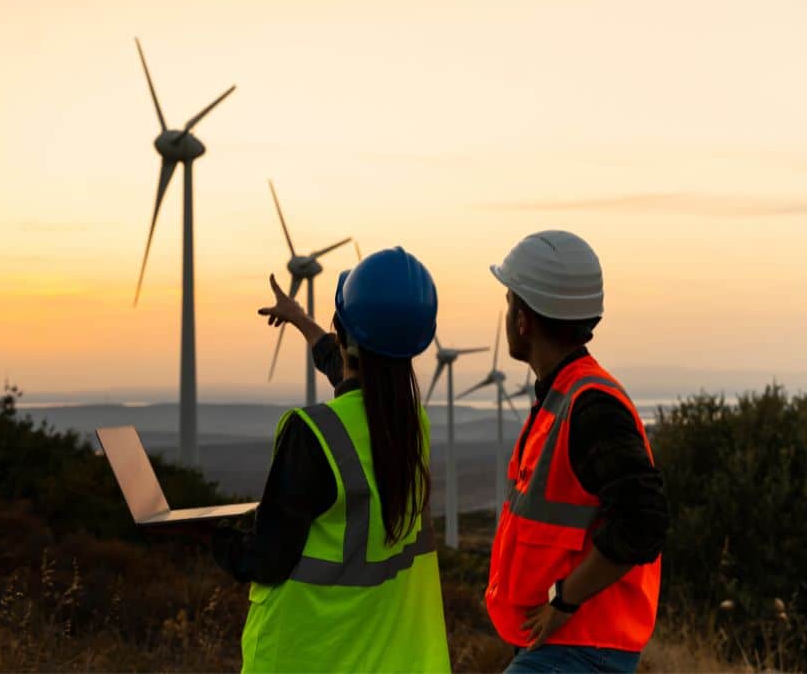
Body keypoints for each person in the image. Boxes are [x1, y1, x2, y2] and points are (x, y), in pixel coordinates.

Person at [209, 247, 451, 672]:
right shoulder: (411, 425)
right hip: (388, 658)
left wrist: (209, 536)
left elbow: (266, 559)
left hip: (309, 655)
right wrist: (301, 320)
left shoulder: (313, 433)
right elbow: (354, 371)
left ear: (345, 335)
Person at [484, 230, 669, 673]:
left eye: (509, 302)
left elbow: (643, 519)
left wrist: (564, 601)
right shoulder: (566, 395)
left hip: (581, 649)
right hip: (563, 648)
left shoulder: (591, 406)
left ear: (523, 319)